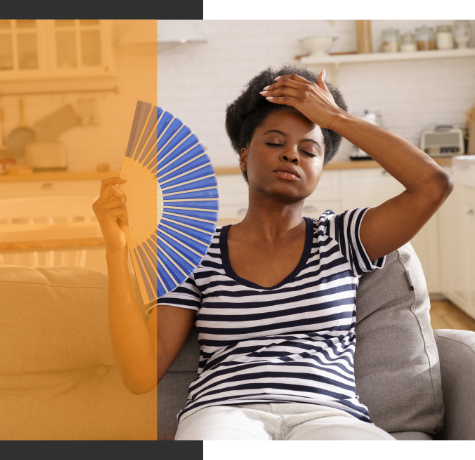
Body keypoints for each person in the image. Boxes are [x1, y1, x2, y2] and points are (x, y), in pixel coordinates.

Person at [92, 64, 453, 441]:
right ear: (245, 157)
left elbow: (433, 185)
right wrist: (116, 251)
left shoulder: (343, 237)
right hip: (224, 415)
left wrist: (334, 118)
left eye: (310, 150)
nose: (292, 156)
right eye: (276, 142)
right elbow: (139, 375)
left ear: (320, 169)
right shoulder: (196, 250)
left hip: (329, 416)